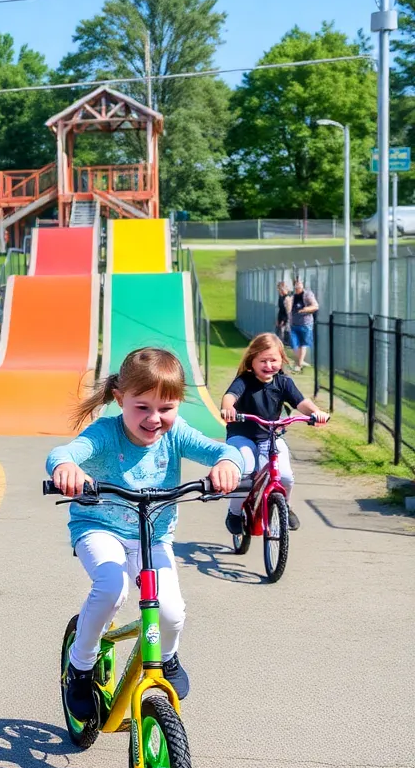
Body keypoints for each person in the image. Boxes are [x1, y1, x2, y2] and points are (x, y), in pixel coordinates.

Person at [47, 347, 242, 720]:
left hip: (153, 536)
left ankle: (166, 658)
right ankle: (81, 666)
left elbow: (222, 450)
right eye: (142, 408)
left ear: (178, 405)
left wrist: (229, 463)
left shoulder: (177, 434)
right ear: (120, 399)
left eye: (166, 409)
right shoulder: (106, 433)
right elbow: (64, 453)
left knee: (170, 612)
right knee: (111, 586)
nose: (155, 419)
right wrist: (68, 469)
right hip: (100, 528)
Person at [221, 332, 328, 533]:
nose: (269, 365)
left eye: (274, 360)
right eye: (263, 360)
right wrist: (229, 409)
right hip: (242, 435)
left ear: (282, 360)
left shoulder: (284, 383)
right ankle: (234, 513)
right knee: (246, 472)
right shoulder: (244, 380)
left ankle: (284, 505)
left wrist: (315, 413)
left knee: (284, 476)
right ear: (251, 361)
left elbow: (301, 403)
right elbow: (230, 397)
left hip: (270, 436)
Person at [289, 277, 319, 371]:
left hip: (305, 324)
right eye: (296, 283)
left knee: (303, 344)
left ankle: (299, 365)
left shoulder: (307, 294)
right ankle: (300, 361)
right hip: (294, 324)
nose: (298, 285)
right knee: (294, 345)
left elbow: (315, 306)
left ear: (302, 284)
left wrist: (305, 309)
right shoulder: (293, 296)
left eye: (300, 283)